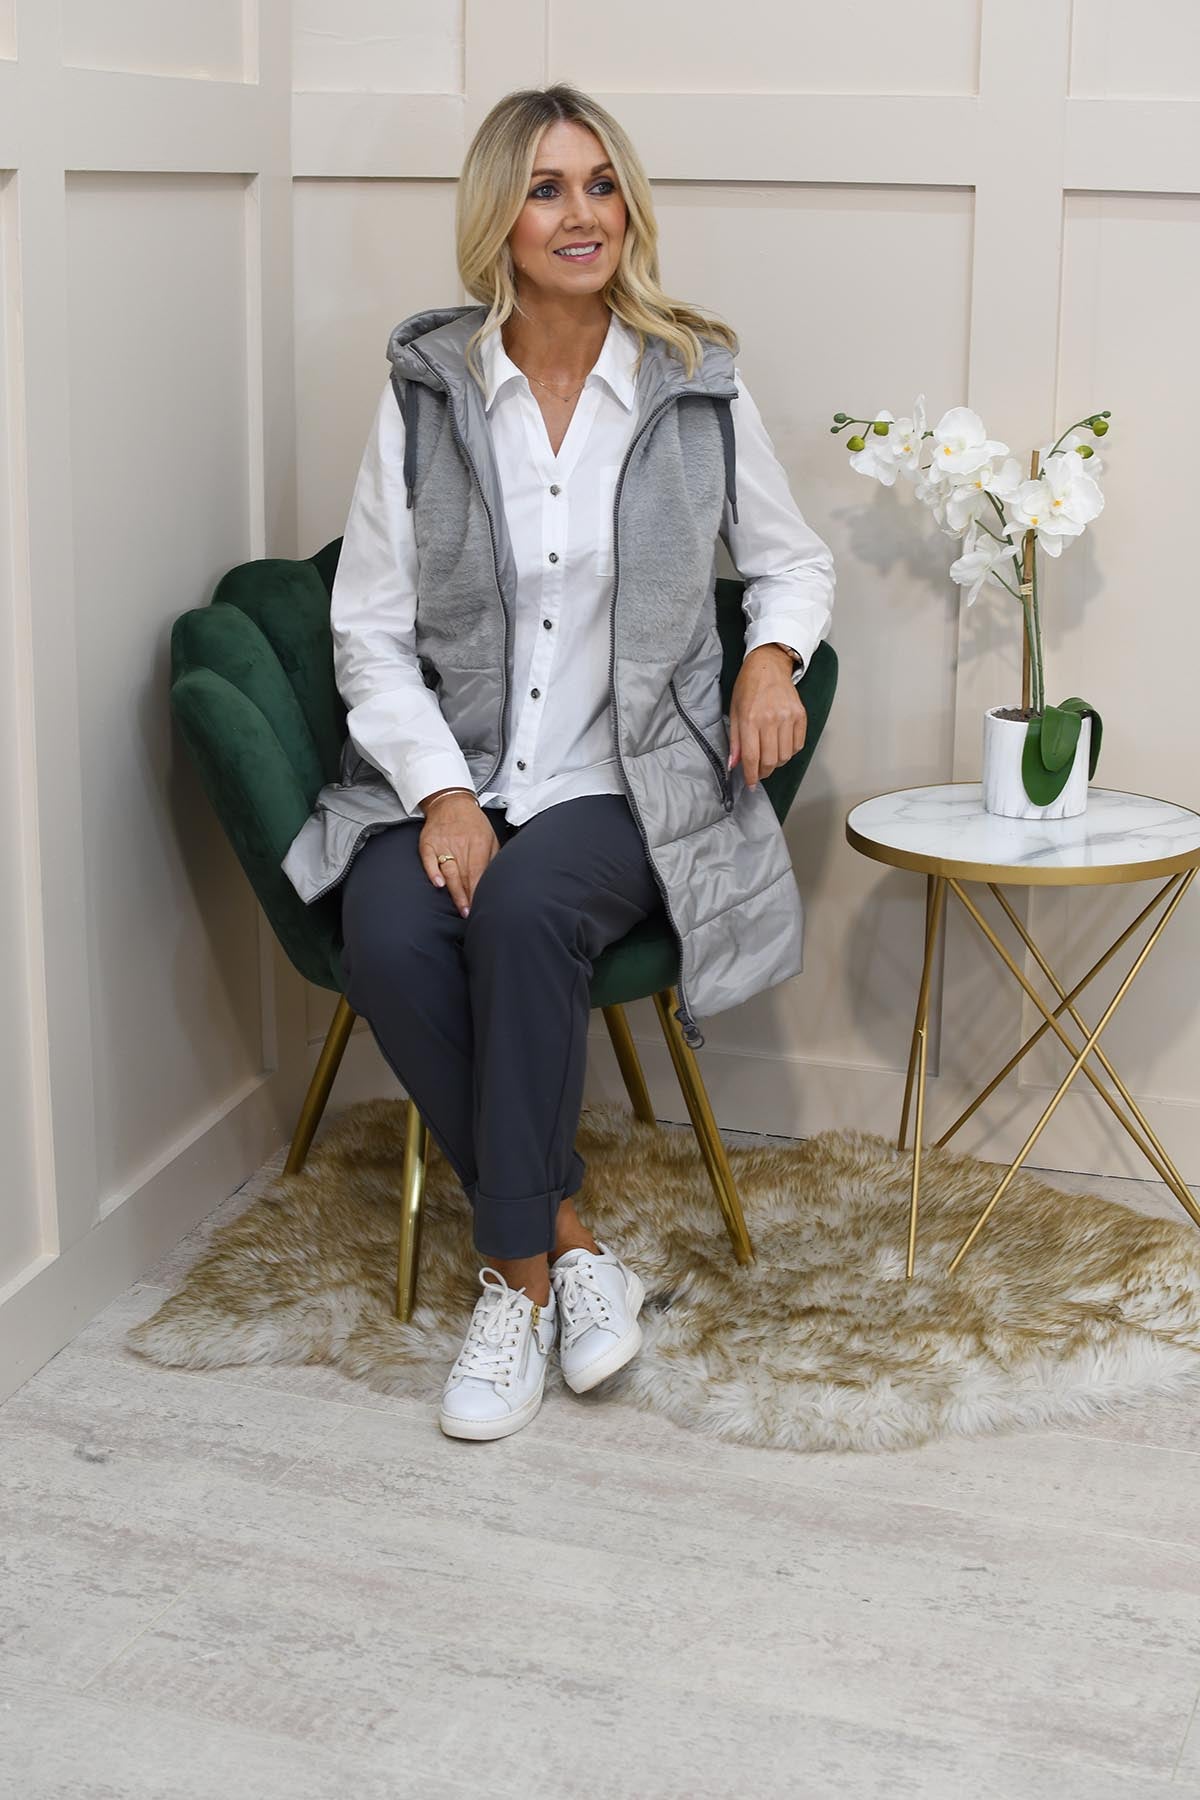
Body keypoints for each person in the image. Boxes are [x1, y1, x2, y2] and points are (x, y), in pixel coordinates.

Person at [282, 82, 835, 1442]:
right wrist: (443, 794)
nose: (582, 214)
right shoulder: (429, 393)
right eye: (545, 188)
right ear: (500, 219)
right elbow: (367, 631)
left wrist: (770, 659)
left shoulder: (694, 382)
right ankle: (562, 1248)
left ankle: (510, 1281)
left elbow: (792, 562)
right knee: (390, 932)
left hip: (625, 781)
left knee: (526, 912)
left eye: (600, 185)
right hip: (455, 768)